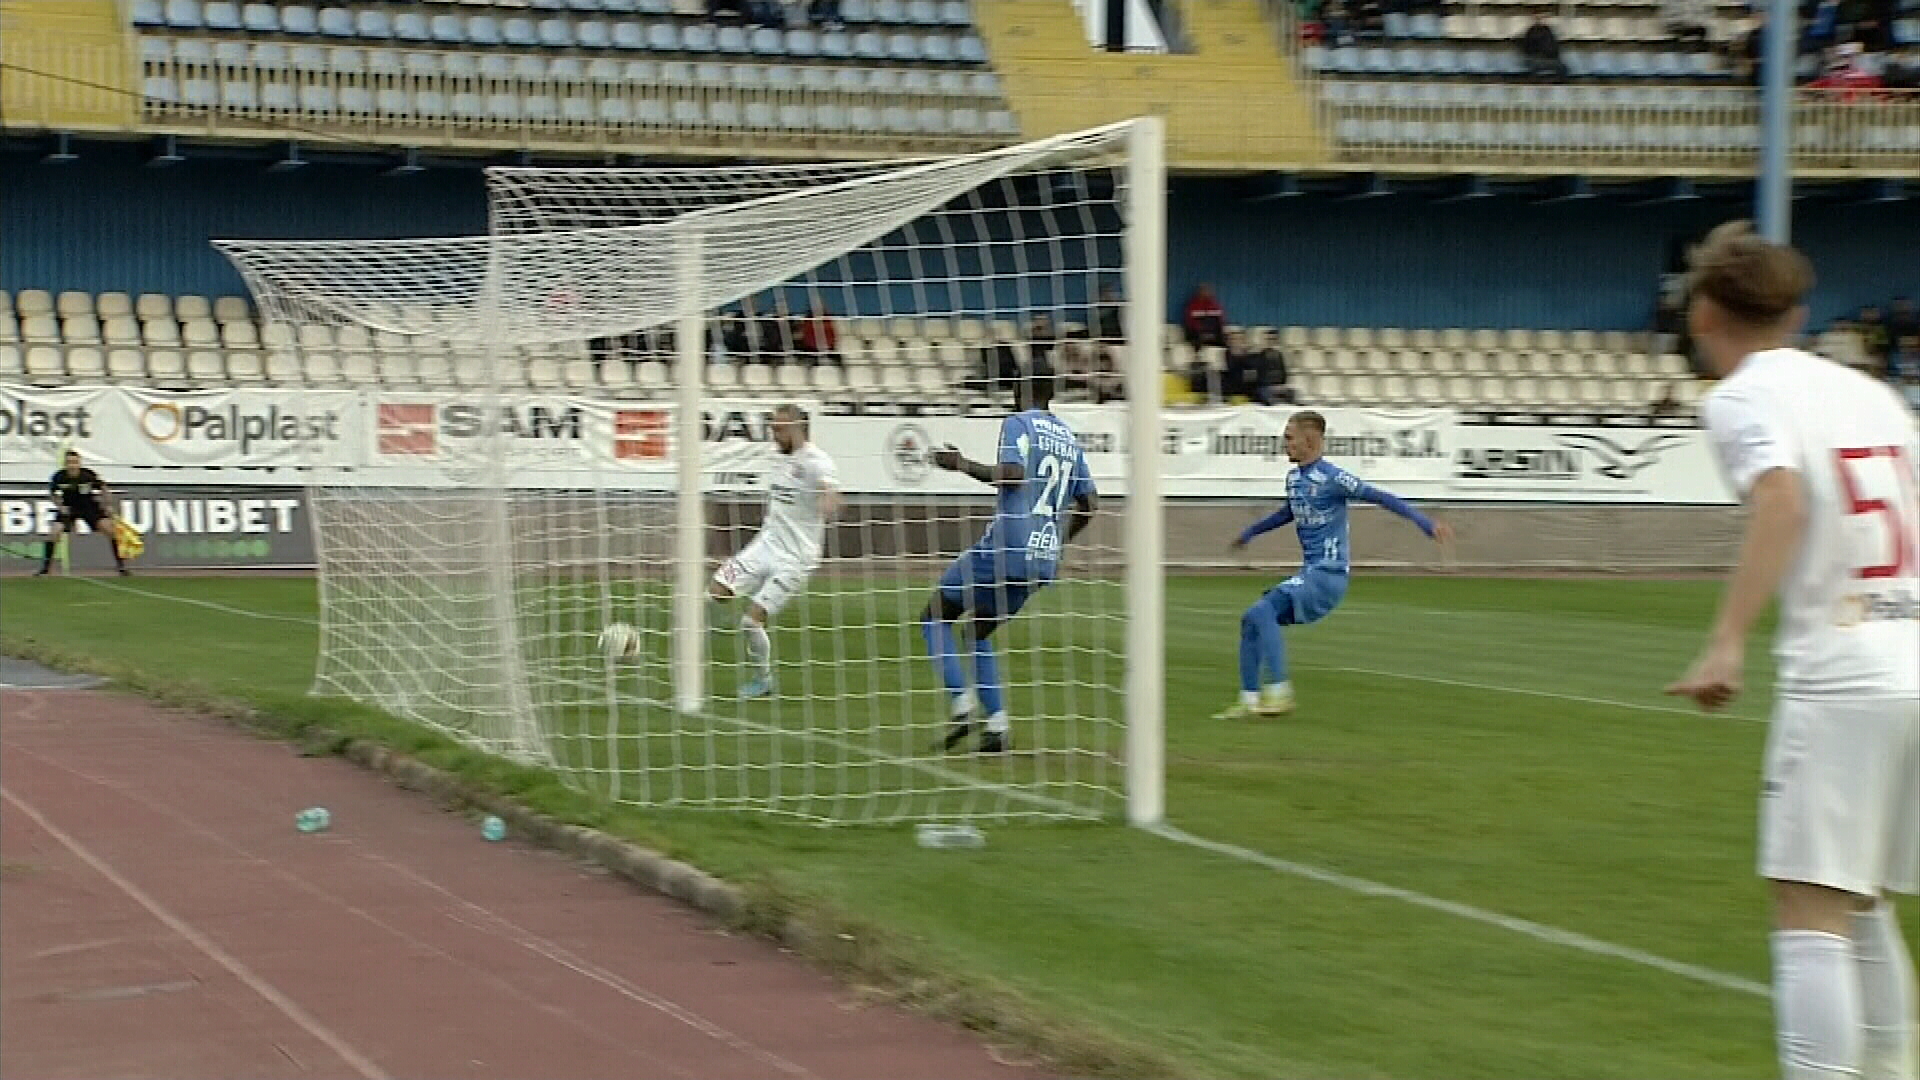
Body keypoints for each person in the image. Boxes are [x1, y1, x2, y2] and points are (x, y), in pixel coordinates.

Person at [1664, 221, 1918, 1080]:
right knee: (1862, 897)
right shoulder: (1871, 392)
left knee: (1810, 911)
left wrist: (1726, 642)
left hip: (1845, 674)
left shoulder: (1741, 397)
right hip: (1912, 658)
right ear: (1797, 310)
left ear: (1703, 313)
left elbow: (1780, 499)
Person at [1218, 411, 1451, 717]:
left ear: (1310, 439)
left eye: (1289, 437)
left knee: (1264, 610)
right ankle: (1249, 702)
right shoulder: (1294, 479)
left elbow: (1379, 496)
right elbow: (1288, 513)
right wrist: (1249, 533)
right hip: (1311, 575)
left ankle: (1280, 692)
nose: (1284, 443)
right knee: (1252, 619)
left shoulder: (1332, 478)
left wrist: (1424, 523)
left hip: (1328, 575)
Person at [921, 360, 1097, 753]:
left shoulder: (1019, 422)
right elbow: (1090, 502)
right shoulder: (1069, 438)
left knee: (935, 615)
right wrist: (1059, 539)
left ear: (1021, 386)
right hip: (1042, 556)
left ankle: (962, 705)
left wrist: (961, 464)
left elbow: (1014, 473)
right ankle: (997, 726)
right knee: (979, 629)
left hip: (1009, 544)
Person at [708, 404, 841, 699]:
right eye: (772, 427)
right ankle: (716, 633)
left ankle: (763, 680)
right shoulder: (777, 456)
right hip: (765, 545)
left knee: (751, 621)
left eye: (779, 428)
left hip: (795, 559)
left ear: (797, 428)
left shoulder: (818, 462)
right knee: (715, 590)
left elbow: (829, 489)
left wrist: (827, 501)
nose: (773, 433)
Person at [39, 450, 128, 577]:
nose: (72, 465)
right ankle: (45, 569)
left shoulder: (87, 475)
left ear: (79, 463)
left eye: (75, 462)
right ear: (65, 464)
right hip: (70, 507)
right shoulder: (59, 476)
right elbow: (53, 494)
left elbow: (103, 487)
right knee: (54, 532)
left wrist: (108, 505)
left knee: (110, 530)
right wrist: (60, 506)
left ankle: (121, 566)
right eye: (69, 462)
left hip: (89, 506)